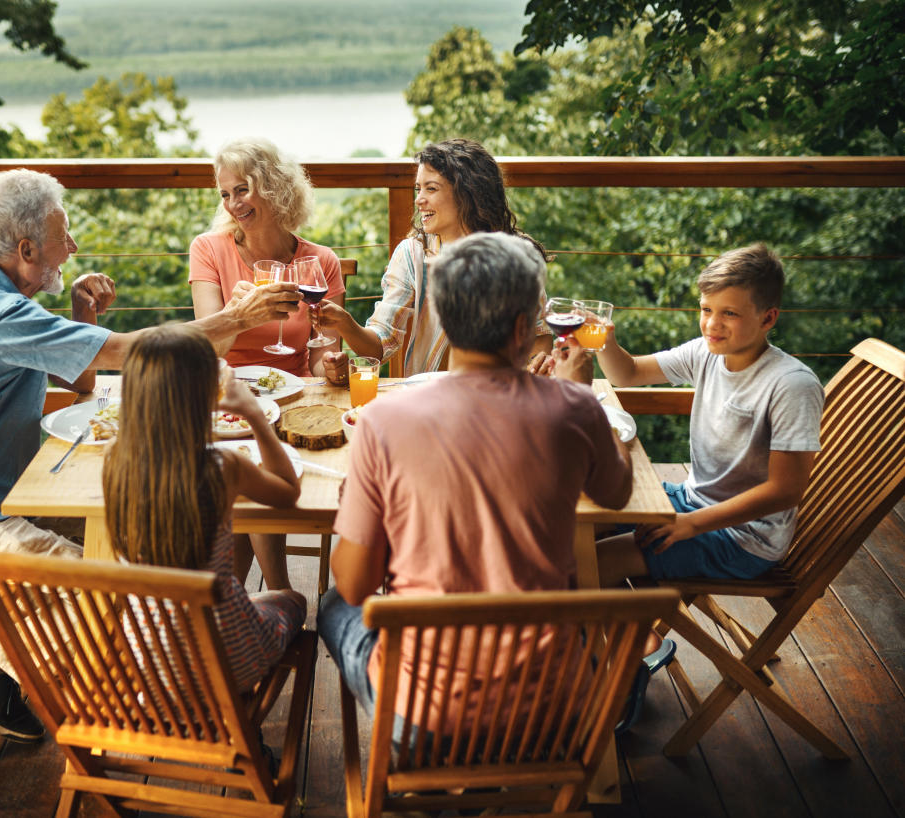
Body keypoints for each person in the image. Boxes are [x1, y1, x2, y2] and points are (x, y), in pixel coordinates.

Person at [0, 168, 300, 742]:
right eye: (65, 235)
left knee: (132, 550)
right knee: (115, 606)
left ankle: (140, 666)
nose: (74, 248)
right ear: (28, 248)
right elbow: (126, 354)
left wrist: (82, 318)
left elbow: (83, 374)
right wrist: (238, 317)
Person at [318, 231, 633, 736]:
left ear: (445, 315)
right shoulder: (572, 409)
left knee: (334, 604)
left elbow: (356, 584)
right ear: (520, 330)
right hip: (551, 714)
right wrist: (585, 396)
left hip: (426, 722)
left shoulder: (383, 421)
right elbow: (617, 494)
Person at [593, 244, 824, 586]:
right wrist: (604, 341)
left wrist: (691, 524)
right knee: (570, 526)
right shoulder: (706, 352)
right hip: (691, 501)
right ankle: (625, 631)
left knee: (592, 561)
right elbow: (626, 374)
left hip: (741, 539)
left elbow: (786, 490)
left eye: (729, 313)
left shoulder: (791, 385)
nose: (712, 324)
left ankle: (638, 641)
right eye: (706, 309)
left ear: (768, 317)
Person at [104, 324, 306, 692]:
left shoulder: (115, 463)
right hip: (227, 665)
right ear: (203, 398)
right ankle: (240, 717)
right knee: (293, 600)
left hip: (146, 667)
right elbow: (288, 491)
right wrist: (255, 414)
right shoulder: (220, 468)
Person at [189, 137, 345, 592]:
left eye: (243, 190)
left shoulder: (321, 262)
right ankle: (278, 594)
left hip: (292, 398)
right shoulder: (208, 249)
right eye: (225, 193)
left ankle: (245, 602)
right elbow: (209, 352)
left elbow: (318, 362)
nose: (233, 203)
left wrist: (332, 367)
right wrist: (237, 318)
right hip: (224, 396)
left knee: (248, 469)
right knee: (245, 464)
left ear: (274, 188)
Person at [312, 138, 551, 384]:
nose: (419, 199)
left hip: (499, 393)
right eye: (418, 189)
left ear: (468, 192)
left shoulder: (514, 255)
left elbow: (540, 335)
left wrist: (538, 361)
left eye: (431, 188)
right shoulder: (412, 255)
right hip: (428, 398)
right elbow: (379, 346)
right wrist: (344, 322)